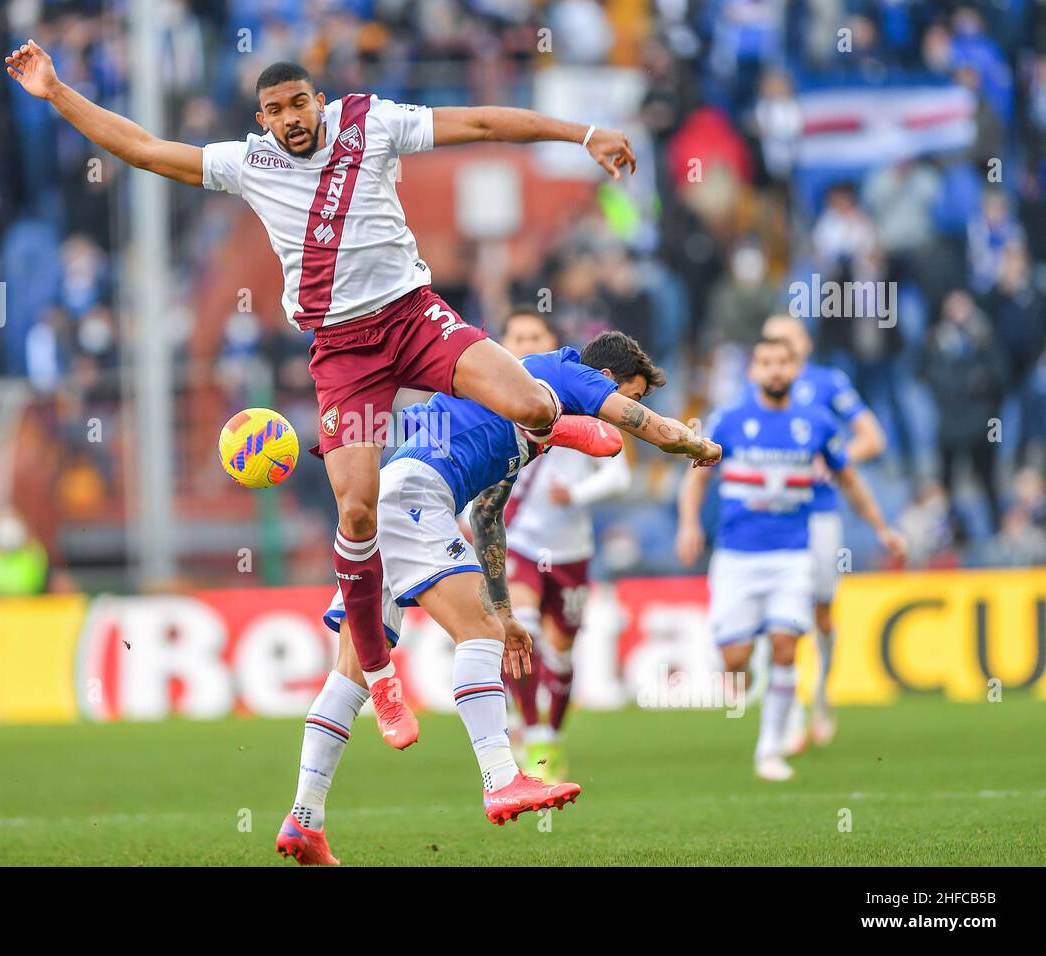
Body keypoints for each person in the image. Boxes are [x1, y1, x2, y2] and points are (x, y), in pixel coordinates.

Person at [5, 46, 638, 747]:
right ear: (262, 119)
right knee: (359, 508)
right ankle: (379, 674)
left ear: (319, 101)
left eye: (298, 104)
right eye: (274, 111)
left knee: (527, 402)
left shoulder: (374, 123)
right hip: (342, 351)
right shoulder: (251, 162)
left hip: (410, 314)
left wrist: (582, 135)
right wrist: (58, 91)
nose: (289, 119)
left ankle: (558, 423)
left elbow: (484, 122)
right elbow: (150, 150)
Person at [277, 334, 721, 864]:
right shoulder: (566, 373)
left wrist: (506, 611)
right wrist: (698, 445)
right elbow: (639, 426)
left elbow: (487, 517)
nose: (634, 405)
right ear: (607, 381)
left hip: (393, 494)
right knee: (477, 634)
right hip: (417, 495)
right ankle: (501, 778)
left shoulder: (519, 405)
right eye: (634, 393)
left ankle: (306, 818)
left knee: (353, 670)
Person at [676, 338, 904, 782]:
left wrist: (882, 527)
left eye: (783, 363)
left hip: (791, 555)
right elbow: (697, 476)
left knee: (786, 645)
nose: (775, 371)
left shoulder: (816, 423)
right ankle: (742, 675)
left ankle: (769, 750)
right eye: (766, 363)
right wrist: (689, 524)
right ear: (753, 371)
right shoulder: (731, 419)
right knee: (736, 657)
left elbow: (849, 479)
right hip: (737, 556)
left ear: (795, 370)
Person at [497, 313, 661, 782]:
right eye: (518, 338)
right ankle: (533, 735)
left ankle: (552, 734)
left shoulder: (580, 399)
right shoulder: (499, 398)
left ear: (550, 347)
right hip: (521, 544)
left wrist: (577, 495)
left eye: (534, 338)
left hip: (572, 551)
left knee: (562, 655)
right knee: (521, 633)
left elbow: (619, 473)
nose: (526, 344)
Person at [760, 314, 886, 750]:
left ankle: (822, 696)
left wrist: (832, 458)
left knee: (821, 613)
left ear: (805, 345)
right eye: (770, 341)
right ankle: (789, 714)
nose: (778, 349)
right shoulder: (756, 388)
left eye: (786, 340)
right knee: (777, 616)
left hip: (820, 514)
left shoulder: (828, 383)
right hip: (772, 518)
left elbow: (873, 437)